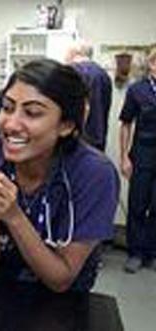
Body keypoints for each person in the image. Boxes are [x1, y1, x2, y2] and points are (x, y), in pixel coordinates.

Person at [0, 59, 119, 292]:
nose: (11, 124)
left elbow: (61, 280)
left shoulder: (94, 174)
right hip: (0, 292)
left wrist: (13, 216)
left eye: (32, 112)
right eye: (7, 108)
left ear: (66, 125)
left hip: (65, 303)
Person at [119, 48, 156, 273]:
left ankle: (150, 251)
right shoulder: (137, 90)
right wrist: (124, 157)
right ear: (152, 65)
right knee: (138, 204)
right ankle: (135, 253)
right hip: (143, 153)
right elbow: (126, 124)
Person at [65, 40, 112, 152]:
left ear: (74, 53)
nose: (65, 58)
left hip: (76, 140)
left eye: (66, 53)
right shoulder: (103, 74)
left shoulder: (72, 72)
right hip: (98, 138)